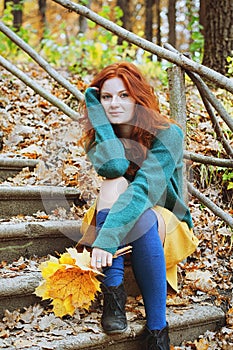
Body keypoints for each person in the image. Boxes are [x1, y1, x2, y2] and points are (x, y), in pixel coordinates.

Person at [78, 62, 199, 350]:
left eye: (124, 95)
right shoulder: (99, 138)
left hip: (162, 221)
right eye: (106, 97)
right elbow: (115, 165)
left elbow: (144, 191)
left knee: (141, 212)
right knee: (113, 181)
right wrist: (94, 106)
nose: (114, 104)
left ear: (138, 98)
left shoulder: (169, 133)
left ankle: (158, 329)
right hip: (113, 217)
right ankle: (114, 292)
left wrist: (106, 241)